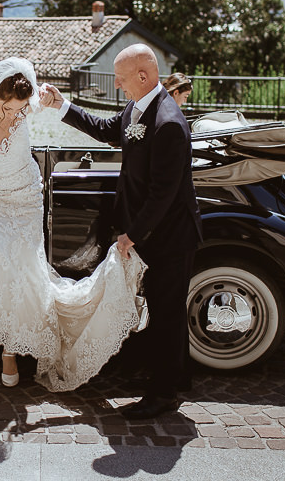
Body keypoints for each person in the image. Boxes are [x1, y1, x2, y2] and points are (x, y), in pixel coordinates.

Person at [0, 58, 147, 392]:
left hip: (25, 197)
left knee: (24, 266)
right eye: (7, 108)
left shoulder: (26, 105)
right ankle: (2, 332)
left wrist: (54, 99)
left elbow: (51, 101)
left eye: (20, 109)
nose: (14, 115)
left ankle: (10, 349)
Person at [44, 44, 203, 419]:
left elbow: (162, 194)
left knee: (165, 313)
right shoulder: (138, 107)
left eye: (121, 78)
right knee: (166, 309)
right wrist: (62, 106)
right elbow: (106, 129)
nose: (117, 84)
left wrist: (132, 235)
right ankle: (177, 377)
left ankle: (163, 394)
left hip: (171, 236)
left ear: (143, 76)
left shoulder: (168, 123)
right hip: (156, 232)